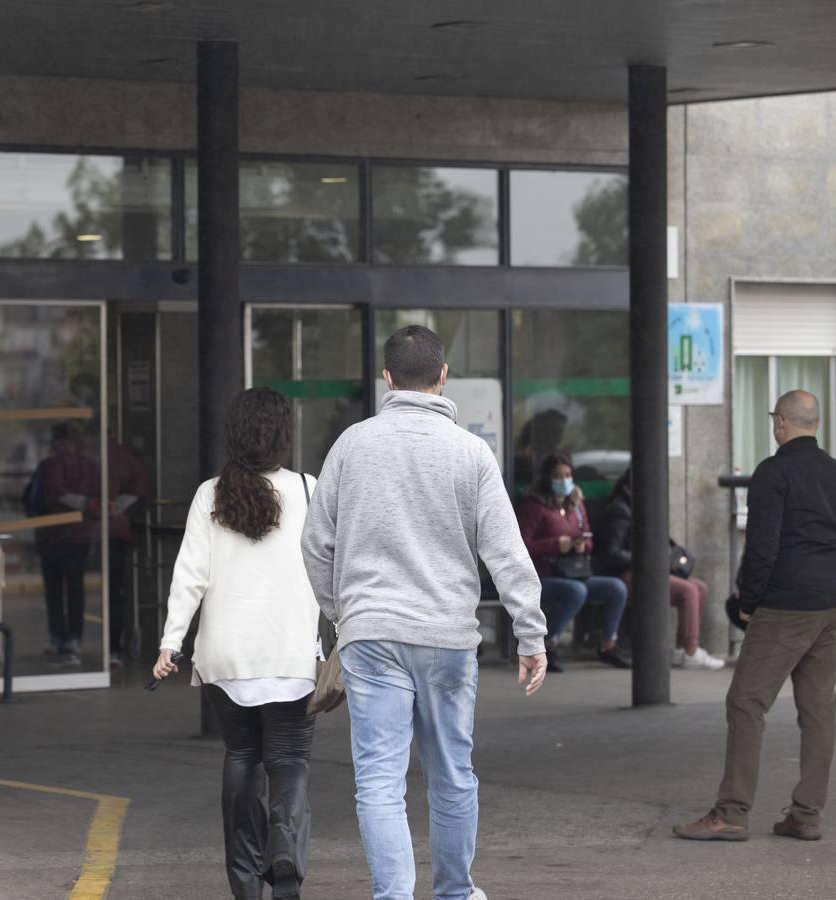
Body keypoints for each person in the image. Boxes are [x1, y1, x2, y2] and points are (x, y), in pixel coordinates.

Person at [302, 326, 548, 900]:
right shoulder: (471, 452)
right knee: (453, 775)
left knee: (379, 782)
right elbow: (508, 553)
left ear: (387, 379)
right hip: (446, 636)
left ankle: (393, 896)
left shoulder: (351, 445)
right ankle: (456, 893)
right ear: (443, 376)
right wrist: (530, 634)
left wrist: (347, 614)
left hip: (369, 634)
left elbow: (315, 545)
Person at [675, 391, 836, 843]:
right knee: (818, 710)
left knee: (746, 702)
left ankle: (732, 812)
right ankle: (807, 814)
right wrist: (832, 580)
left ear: (780, 422)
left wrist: (749, 601)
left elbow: (762, 546)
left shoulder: (773, 472)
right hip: (831, 604)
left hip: (786, 605)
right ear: (815, 424)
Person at [154, 387, 319, 900]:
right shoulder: (310, 490)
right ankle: (285, 847)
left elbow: (189, 576)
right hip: (292, 653)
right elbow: (331, 571)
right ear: (283, 435)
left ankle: (246, 883)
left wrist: (170, 642)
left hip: (225, 655)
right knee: (289, 760)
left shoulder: (211, 494)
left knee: (242, 756)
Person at [595, 469, 725, 670]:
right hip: (628, 574)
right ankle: (691, 650)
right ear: (628, 488)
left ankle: (681, 650)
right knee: (688, 590)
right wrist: (647, 559)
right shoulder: (620, 512)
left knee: (699, 587)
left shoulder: (642, 509)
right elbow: (611, 554)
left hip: (647, 570)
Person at [516, 454, 630, 672]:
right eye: (557, 476)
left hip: (574, 571)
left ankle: (608, 645)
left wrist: (582, 546)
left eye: (567, 475)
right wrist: (555, 544)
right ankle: (547, 645)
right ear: (547, 478)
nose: (563, 481)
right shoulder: (534, 505)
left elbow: (588, 538)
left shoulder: (575, 504)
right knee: (576, 591)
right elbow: (522, 545)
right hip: (543, 575)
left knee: (616, 588)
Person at [38, 422, 101, 661]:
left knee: (68, 588)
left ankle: (67, 636)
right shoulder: (55, 467)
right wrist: (87, 506)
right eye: (60, 442)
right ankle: (64, 636)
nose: (63, 447)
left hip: (67, 535)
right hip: (63, 535)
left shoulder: (52, 467)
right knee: (61, 588)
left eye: (67, 441)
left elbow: (54, 494)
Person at [106, 431, 150, 668]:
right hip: (113, 531)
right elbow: (140, 488)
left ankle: (110, 646)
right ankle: (112, 647)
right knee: (113, 593)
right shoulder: (122, 456)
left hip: (99, 531)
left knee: (109, 592)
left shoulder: (106, 455)